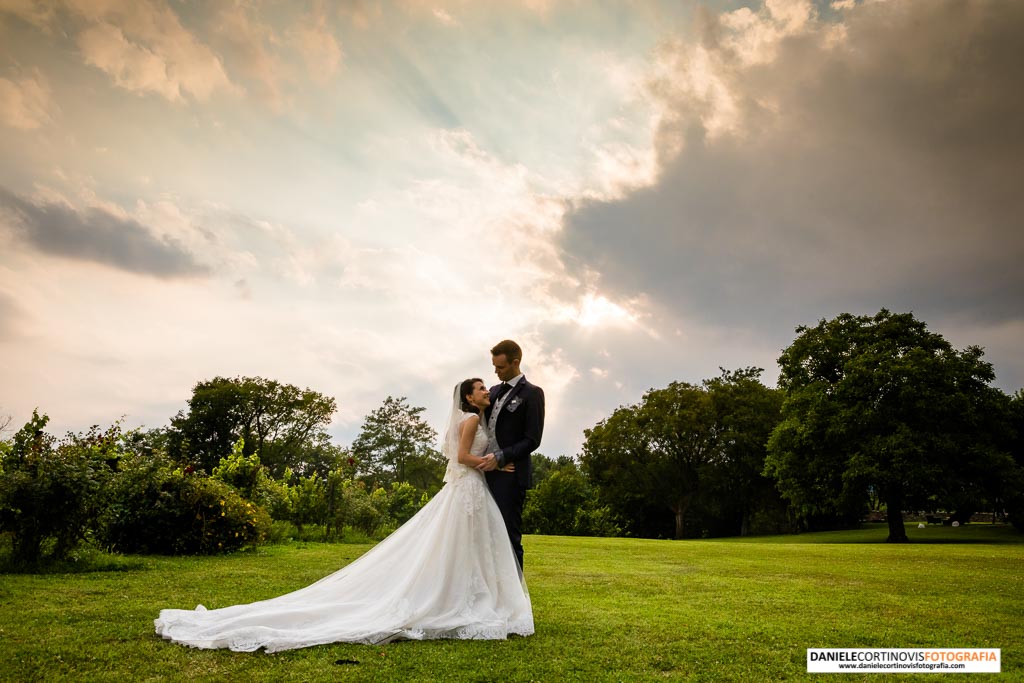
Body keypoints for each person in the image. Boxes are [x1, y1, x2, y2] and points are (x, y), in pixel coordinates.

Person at [154, 379, 533, 652]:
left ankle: (471, 595)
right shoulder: (469, 421)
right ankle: (458, 598)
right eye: (481, 389)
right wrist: (496, 465)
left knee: (469, 548)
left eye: (486, 388)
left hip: (472, 492)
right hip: (468, 487)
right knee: (459, 545)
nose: (487, 392)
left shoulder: (479, 420)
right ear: (468, 397)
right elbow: (461, 458)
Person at [477, 340, 545, 569]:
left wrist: (501, 457)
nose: (495, 372)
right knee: (484, 537)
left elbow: (532, 439)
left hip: (511, 475)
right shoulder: (493, 391)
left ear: (516, 363)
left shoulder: (533, 394)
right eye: (494, 366)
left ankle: (515, 595)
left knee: (508, 536)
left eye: (501, 367)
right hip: (484, 474)